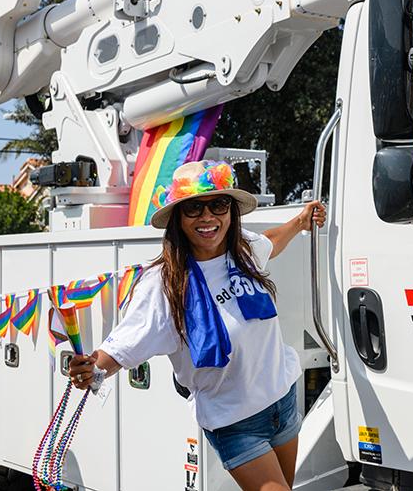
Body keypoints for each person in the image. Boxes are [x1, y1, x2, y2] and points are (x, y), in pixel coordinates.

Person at [68, 160, 326, 491]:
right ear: (177, 218)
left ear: (231, 211)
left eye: (218, 204)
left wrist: (301, 221)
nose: (207, 217)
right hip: (235, 420)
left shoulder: (243, 249)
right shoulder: (163, 284)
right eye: (193, 208)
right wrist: (92, 369)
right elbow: (121, 347)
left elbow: (271, 242)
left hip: (283, 400)